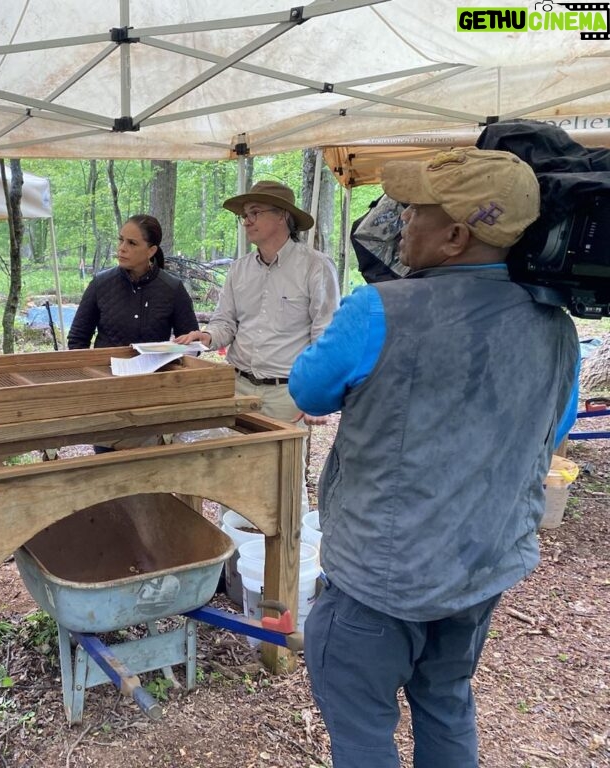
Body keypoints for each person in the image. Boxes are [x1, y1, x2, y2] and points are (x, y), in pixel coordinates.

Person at [289, 148, 580, 767]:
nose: (400, 224)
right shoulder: (556, 327)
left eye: (414, 212)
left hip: (378, 576)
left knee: (364, 728)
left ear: (454, 236)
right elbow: (556, 426)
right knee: (446, 700)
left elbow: (308, 389)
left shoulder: (379, 309)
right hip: (480, 568)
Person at [176, 180, 339, 425]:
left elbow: (326, 336)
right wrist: (207, 337)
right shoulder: (239, 269)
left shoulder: (316, 267)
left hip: (288, 395)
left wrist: (318, 396)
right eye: (244, 215)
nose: (247, 221)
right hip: (236, 387)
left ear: (282, 216)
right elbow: (225, 323)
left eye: (255, 213)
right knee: (233, 461)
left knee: (285, 464)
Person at [67, 214, 198, 349]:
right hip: (106, 368)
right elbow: (77, 339)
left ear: (151, 251)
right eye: (121, 240)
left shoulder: (172, 288)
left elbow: (192, 344)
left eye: (132, 243)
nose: (122, 248)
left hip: (155, 369)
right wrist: (91, 369)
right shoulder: (100, 284)